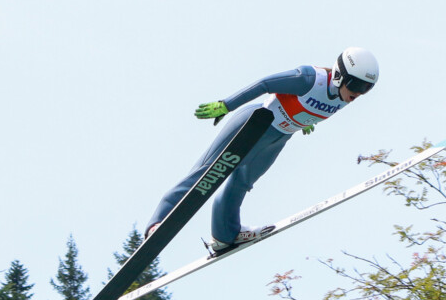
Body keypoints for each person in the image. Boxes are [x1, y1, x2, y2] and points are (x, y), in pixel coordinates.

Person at [145, 47, 379, 250]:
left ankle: (225, 235)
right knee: (207, 171)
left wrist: (307, 120)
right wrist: (227, 105)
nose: (358, 93)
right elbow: (265, 84)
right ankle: (157, 222)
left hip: (279, 138)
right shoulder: (309, 79)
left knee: (242, 183)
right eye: (356, 84)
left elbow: (310, 106)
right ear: (339, 75)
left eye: (366, 88)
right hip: (255, 124)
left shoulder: (344, 97)